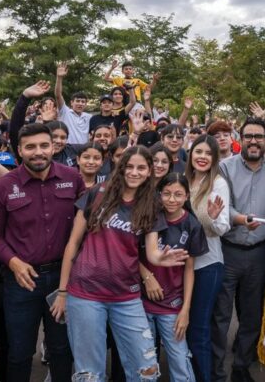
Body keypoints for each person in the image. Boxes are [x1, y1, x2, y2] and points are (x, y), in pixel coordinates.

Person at [51, 146, 189, 381]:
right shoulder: (97, 193)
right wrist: (62, 291)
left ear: (149, 171)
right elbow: (73, 244)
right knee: (89, 374)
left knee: (146, 370)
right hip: (85, 293)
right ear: (120, 168)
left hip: (127, 296)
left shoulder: (152, 204)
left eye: (141, 168)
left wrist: (162, 260)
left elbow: (152, 253)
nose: (134, 172)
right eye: (130, 166)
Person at [0, 123, 85, 382]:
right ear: (19, 150)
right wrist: (13, 262)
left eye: (43, 145)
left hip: (63, 281)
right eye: (30, 147)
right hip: (20, 281)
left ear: (53, 147)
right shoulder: (3, 186)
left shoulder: (72, 179)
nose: (37, 152)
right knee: (19, 352)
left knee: (62, 350)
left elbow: (85, 229)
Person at [213, 117, 265, 382]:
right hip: (227, 250)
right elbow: (219, 204)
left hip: (259, 253)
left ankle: (241, 366)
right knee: (221, 315)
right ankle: (216, 370)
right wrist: (241, 219)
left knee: (252, 314)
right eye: (249, 136)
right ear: (239, 139)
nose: (254, 141)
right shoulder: (224, 167)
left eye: (259, 137)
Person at [141, 173, 209, 382]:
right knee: (145, 365)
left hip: (172, 304)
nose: (172, 199)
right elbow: (130, 253)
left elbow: (189, 270)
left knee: (180, 362)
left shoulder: (192, 225)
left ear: (187, 196)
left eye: (178, 194)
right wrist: (147, 276)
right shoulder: (148, 218)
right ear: (159, 194)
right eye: (167, 194)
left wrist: (185, 310)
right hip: (140, 304)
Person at [184, 135, 230, 382]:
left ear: (214, 158)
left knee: (199, 329)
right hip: (181, 265)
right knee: (183, 325)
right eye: (197, 151)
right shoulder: (183, 181)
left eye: (207, 153)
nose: (202, 157)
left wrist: (212, 217)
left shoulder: (218, 184)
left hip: (207, 264)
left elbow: (223, 228)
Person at [54, 61, 92, 146]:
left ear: (86, 104)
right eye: (77, 101)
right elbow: (58, 95)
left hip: (83, 150)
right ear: (72, 103)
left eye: (83, 102)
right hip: (67, 149)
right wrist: (59, 77)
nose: (80, 103)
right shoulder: (65, 112)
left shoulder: (89, 117)